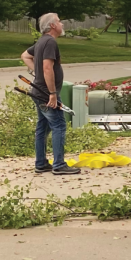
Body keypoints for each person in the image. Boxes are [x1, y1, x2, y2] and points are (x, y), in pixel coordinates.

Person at [20, 13, 80, 176]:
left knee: (42, 127)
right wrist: (52, 94)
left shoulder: (41, 42)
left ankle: (41, 163)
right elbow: (47, 68)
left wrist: (36, 72)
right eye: (60, 21)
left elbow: (25, 55)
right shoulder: (50, 42)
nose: (62, 24)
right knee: (59, 125)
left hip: (38, 91)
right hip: (46, 93)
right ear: (52, 25)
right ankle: (59, 164)